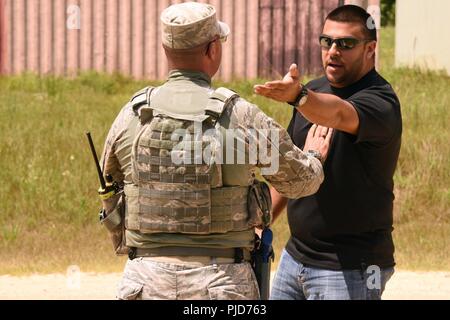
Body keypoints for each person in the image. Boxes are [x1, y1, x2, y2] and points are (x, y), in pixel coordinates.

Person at [99, 2, 331, 300]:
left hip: (144, 281)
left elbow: (111, 186)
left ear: (165, 48)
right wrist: (313, 156)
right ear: (212, 49)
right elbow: (300, 182)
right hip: (221, 283)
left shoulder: (132, 115)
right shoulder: (240, 118)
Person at [254, 5, 402, 300]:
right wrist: (260, 223)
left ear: (370, 48)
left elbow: (337, 114)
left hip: (351, 267)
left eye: (346, 43)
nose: (333, 51)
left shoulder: (380, 101)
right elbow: (291, 170)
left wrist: (298, 96)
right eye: (327, 41)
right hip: (295, 258)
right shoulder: (313, 91)